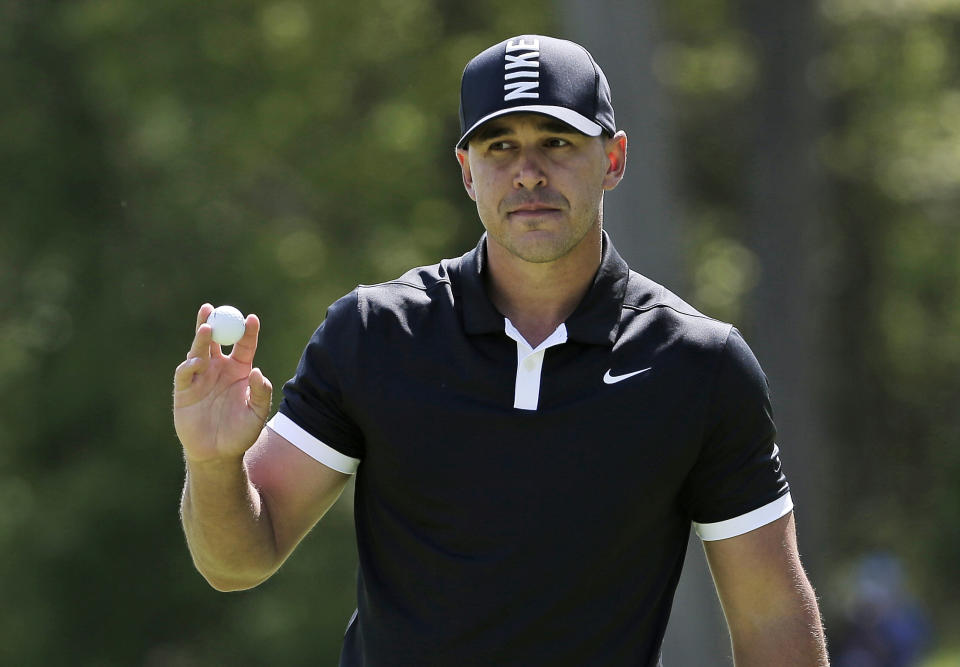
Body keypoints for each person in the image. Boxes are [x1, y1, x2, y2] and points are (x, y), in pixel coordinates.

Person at [174, 35, 829, 666]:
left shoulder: (699, 366)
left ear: (614, 159)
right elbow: (237, 560)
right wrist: (211, 463)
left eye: (557, 142)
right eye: (500, 145)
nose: (528, 172)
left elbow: (770, 615)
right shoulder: (374, 335)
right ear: (467, 171)